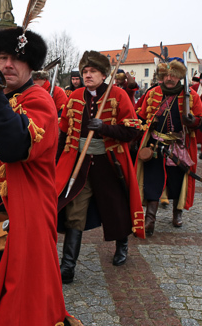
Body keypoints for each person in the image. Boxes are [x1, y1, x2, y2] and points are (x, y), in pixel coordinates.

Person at [0, 27, 82, 326]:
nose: (8, 64)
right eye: (3, 57)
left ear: (31, 65)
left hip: (21, 228)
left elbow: (12, 147)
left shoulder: (39, 101)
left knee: (20, 310)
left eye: (17, 59)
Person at [55, 51, 145, 284]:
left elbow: (132, 131)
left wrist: (105, 127)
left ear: (104, 74)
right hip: (80, 164)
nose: (87, 75)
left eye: (92, 71)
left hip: (108, 163)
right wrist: (56, 161)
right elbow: (64, 130)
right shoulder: (74, 96)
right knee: (74, 213)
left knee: (115, 208)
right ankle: (68, 266)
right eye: (85, 72)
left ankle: (122, 245)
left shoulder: (119, 95)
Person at [135, 58, 202, 236]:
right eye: (166, 75)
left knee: (177, 182)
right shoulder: (152, 94)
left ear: (180, 76)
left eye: (173, 75)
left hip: (179, 146)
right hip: (155, 144)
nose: (169, 78)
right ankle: (149, 220)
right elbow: (141, 116)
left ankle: (177, 212)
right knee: (152, 180)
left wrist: (193, 121)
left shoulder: (192, 95)